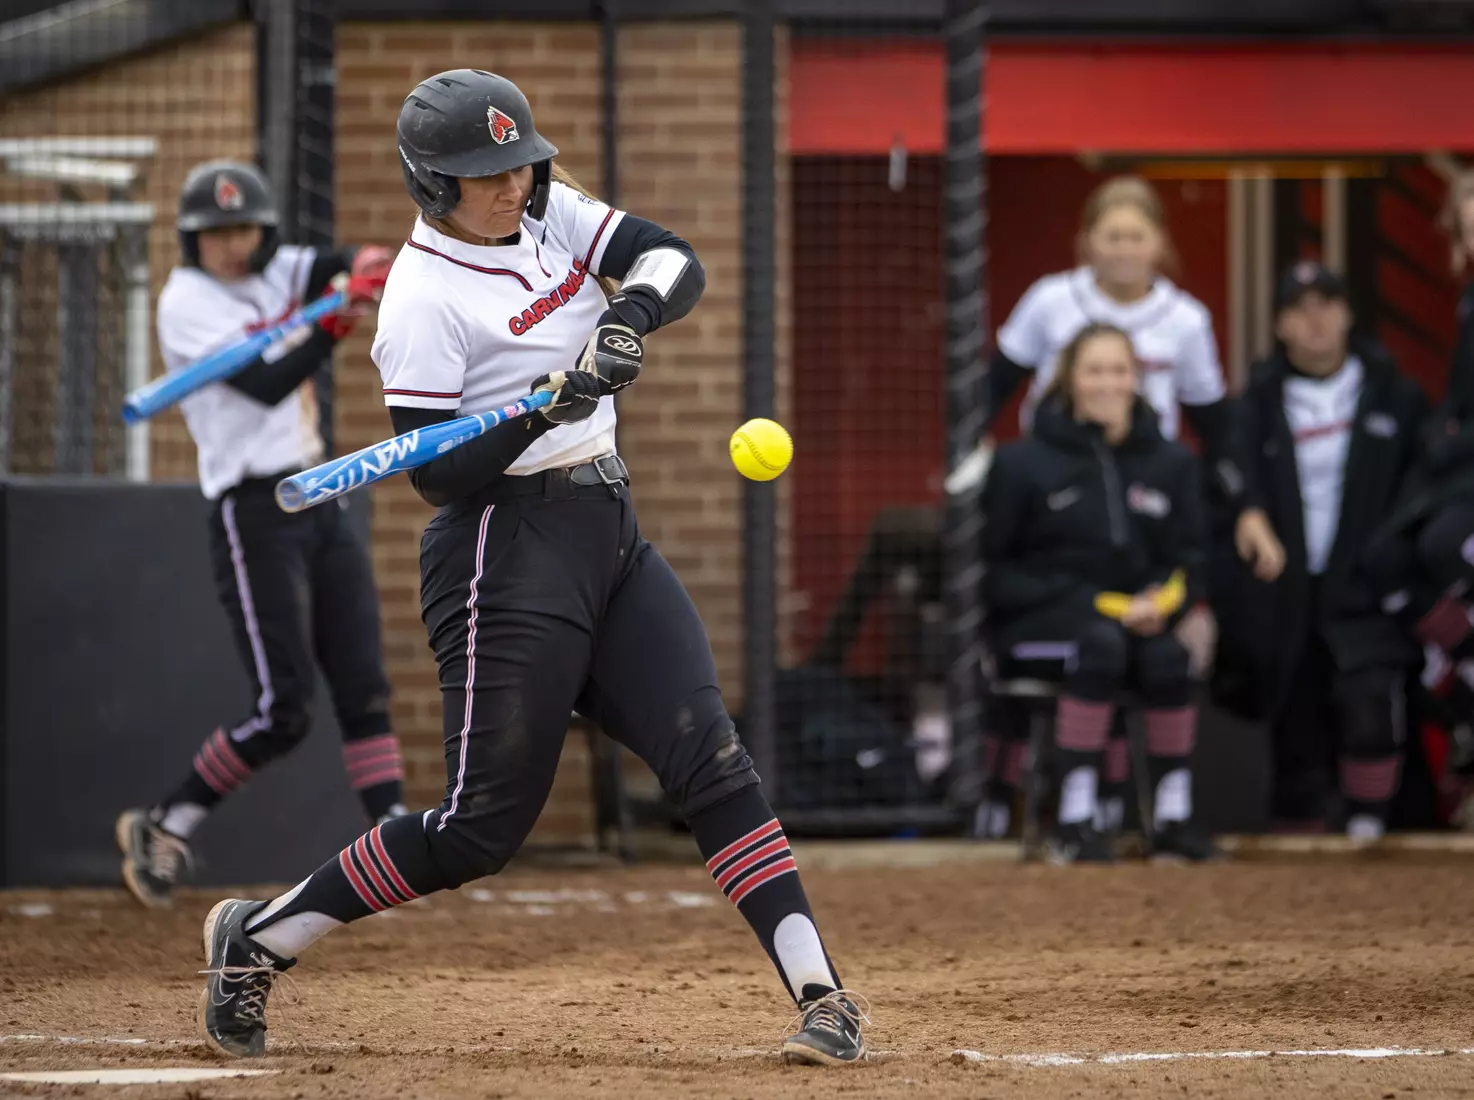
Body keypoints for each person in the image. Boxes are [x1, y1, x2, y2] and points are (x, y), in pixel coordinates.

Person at [191, 70, 868, 1068]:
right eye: (482, 173)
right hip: (501, 552)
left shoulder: (551, 208)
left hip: (609, 529)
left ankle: (822, 992)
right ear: (433, 184)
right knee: (476, 831)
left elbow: (671, 258)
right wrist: (544, 407)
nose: (510, 183)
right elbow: (436, 474)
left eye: (518, 160)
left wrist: (627, 316)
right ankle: (258, 936)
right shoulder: (421, 300)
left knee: (709, 758)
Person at [115, 160, 406, 909]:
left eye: (244, 228)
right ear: (191, 241)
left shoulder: (279, 270)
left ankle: (397, 833)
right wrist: (334, 324)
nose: (233, 246)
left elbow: (333, 263)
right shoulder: (186, 302)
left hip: (316, 489)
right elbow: (265, 382)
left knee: (364, 682)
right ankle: (166, 822)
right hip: (252, 509)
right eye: (215, 234)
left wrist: (364, 267)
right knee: (285, 708)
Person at [982, 322, 1215, 863]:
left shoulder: (1172, 462)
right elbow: (997, 575)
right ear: (1067, 381)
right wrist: (1099, 605)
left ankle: (1173, 817)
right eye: (1094, 370)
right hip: (1046, 620)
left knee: (1168, 655)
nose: (1108, 382)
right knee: (1101, 642)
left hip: (1141, 622)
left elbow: (1193, 560)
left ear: (1137, 379)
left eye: (1119, 369)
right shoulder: (1022, 462)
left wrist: (1164, 603)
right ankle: (1075, 816)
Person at [989, 175, 1283, 582]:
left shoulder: (1186, 320)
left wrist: (1248, 506)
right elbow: (990, 389)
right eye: (1112, 237)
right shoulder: (1049, 300)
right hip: (1056, 478)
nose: (1124, 250)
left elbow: (1218, 430)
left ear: (1159, 242)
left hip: (1144, 481)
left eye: (1136, 236)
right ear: (1088, 241)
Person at [1217, 262, 1426, 837]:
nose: (1315, 321)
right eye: (1300, 309)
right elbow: (1229, 474)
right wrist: (1250, 513)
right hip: (1286, 585)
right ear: (1280, 324)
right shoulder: (1256, 401)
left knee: (1369, 704)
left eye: (1327, 304)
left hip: (1365, 580)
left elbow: (1422, 485)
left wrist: (1390, 553)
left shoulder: (1396, 396)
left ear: (1348, 314)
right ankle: (1304, 839)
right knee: (1294, 710)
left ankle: (1369, 826)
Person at [1365, 171, 1474, 780]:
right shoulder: (1469, 296)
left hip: (1463, 470)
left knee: (1442, 546)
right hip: (1459, 469)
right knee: (1385, 559)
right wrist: (1442, 433)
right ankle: (1466, 668)